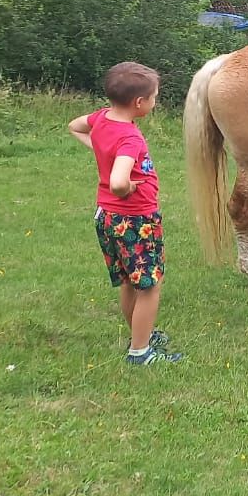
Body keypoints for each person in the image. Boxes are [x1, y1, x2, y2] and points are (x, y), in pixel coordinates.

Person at [67, 62, 181, 365]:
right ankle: (140, 352)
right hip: (134, 220)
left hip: (107, 217)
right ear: (139, 103)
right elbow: (118, 182)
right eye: (154, 98)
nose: (155, 102)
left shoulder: (102, 118)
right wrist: (126, 185)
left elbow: (75, 125)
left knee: (131, 281)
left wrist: (102, 150)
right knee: (149, 285)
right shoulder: (130, 138)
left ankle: (140, 335)